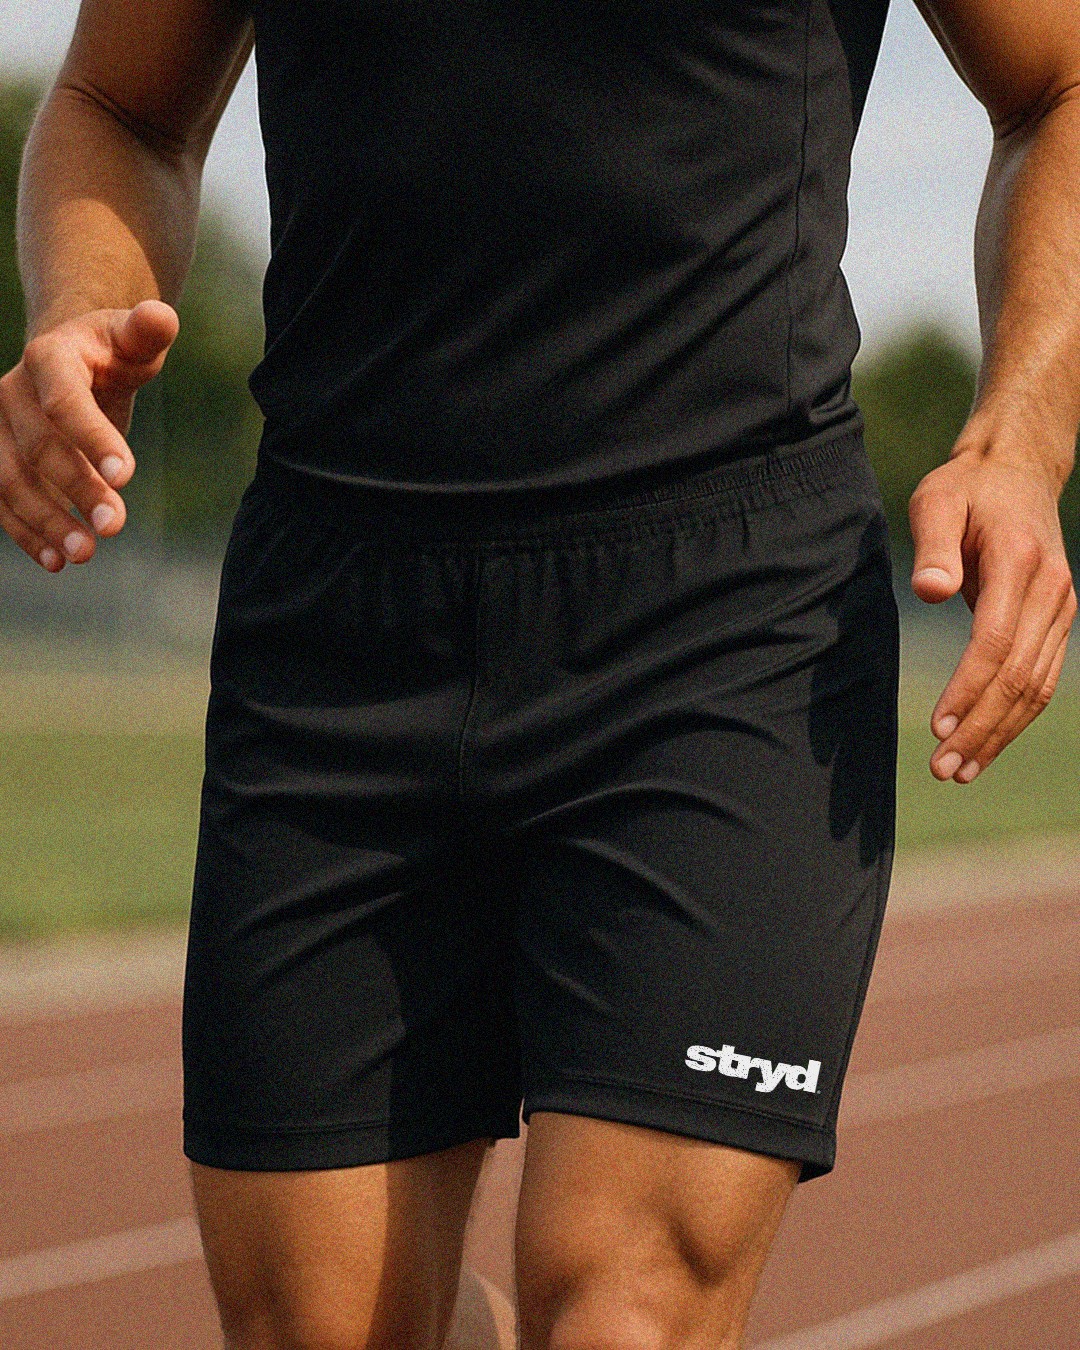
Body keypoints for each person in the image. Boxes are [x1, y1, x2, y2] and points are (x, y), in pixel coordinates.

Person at [2, 0, 1077, 1346]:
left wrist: (1019, 442)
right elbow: (120, 108)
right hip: (340, 623)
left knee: (625, 1308)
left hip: (722, 618)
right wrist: (83, 308)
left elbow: (1059, 88)